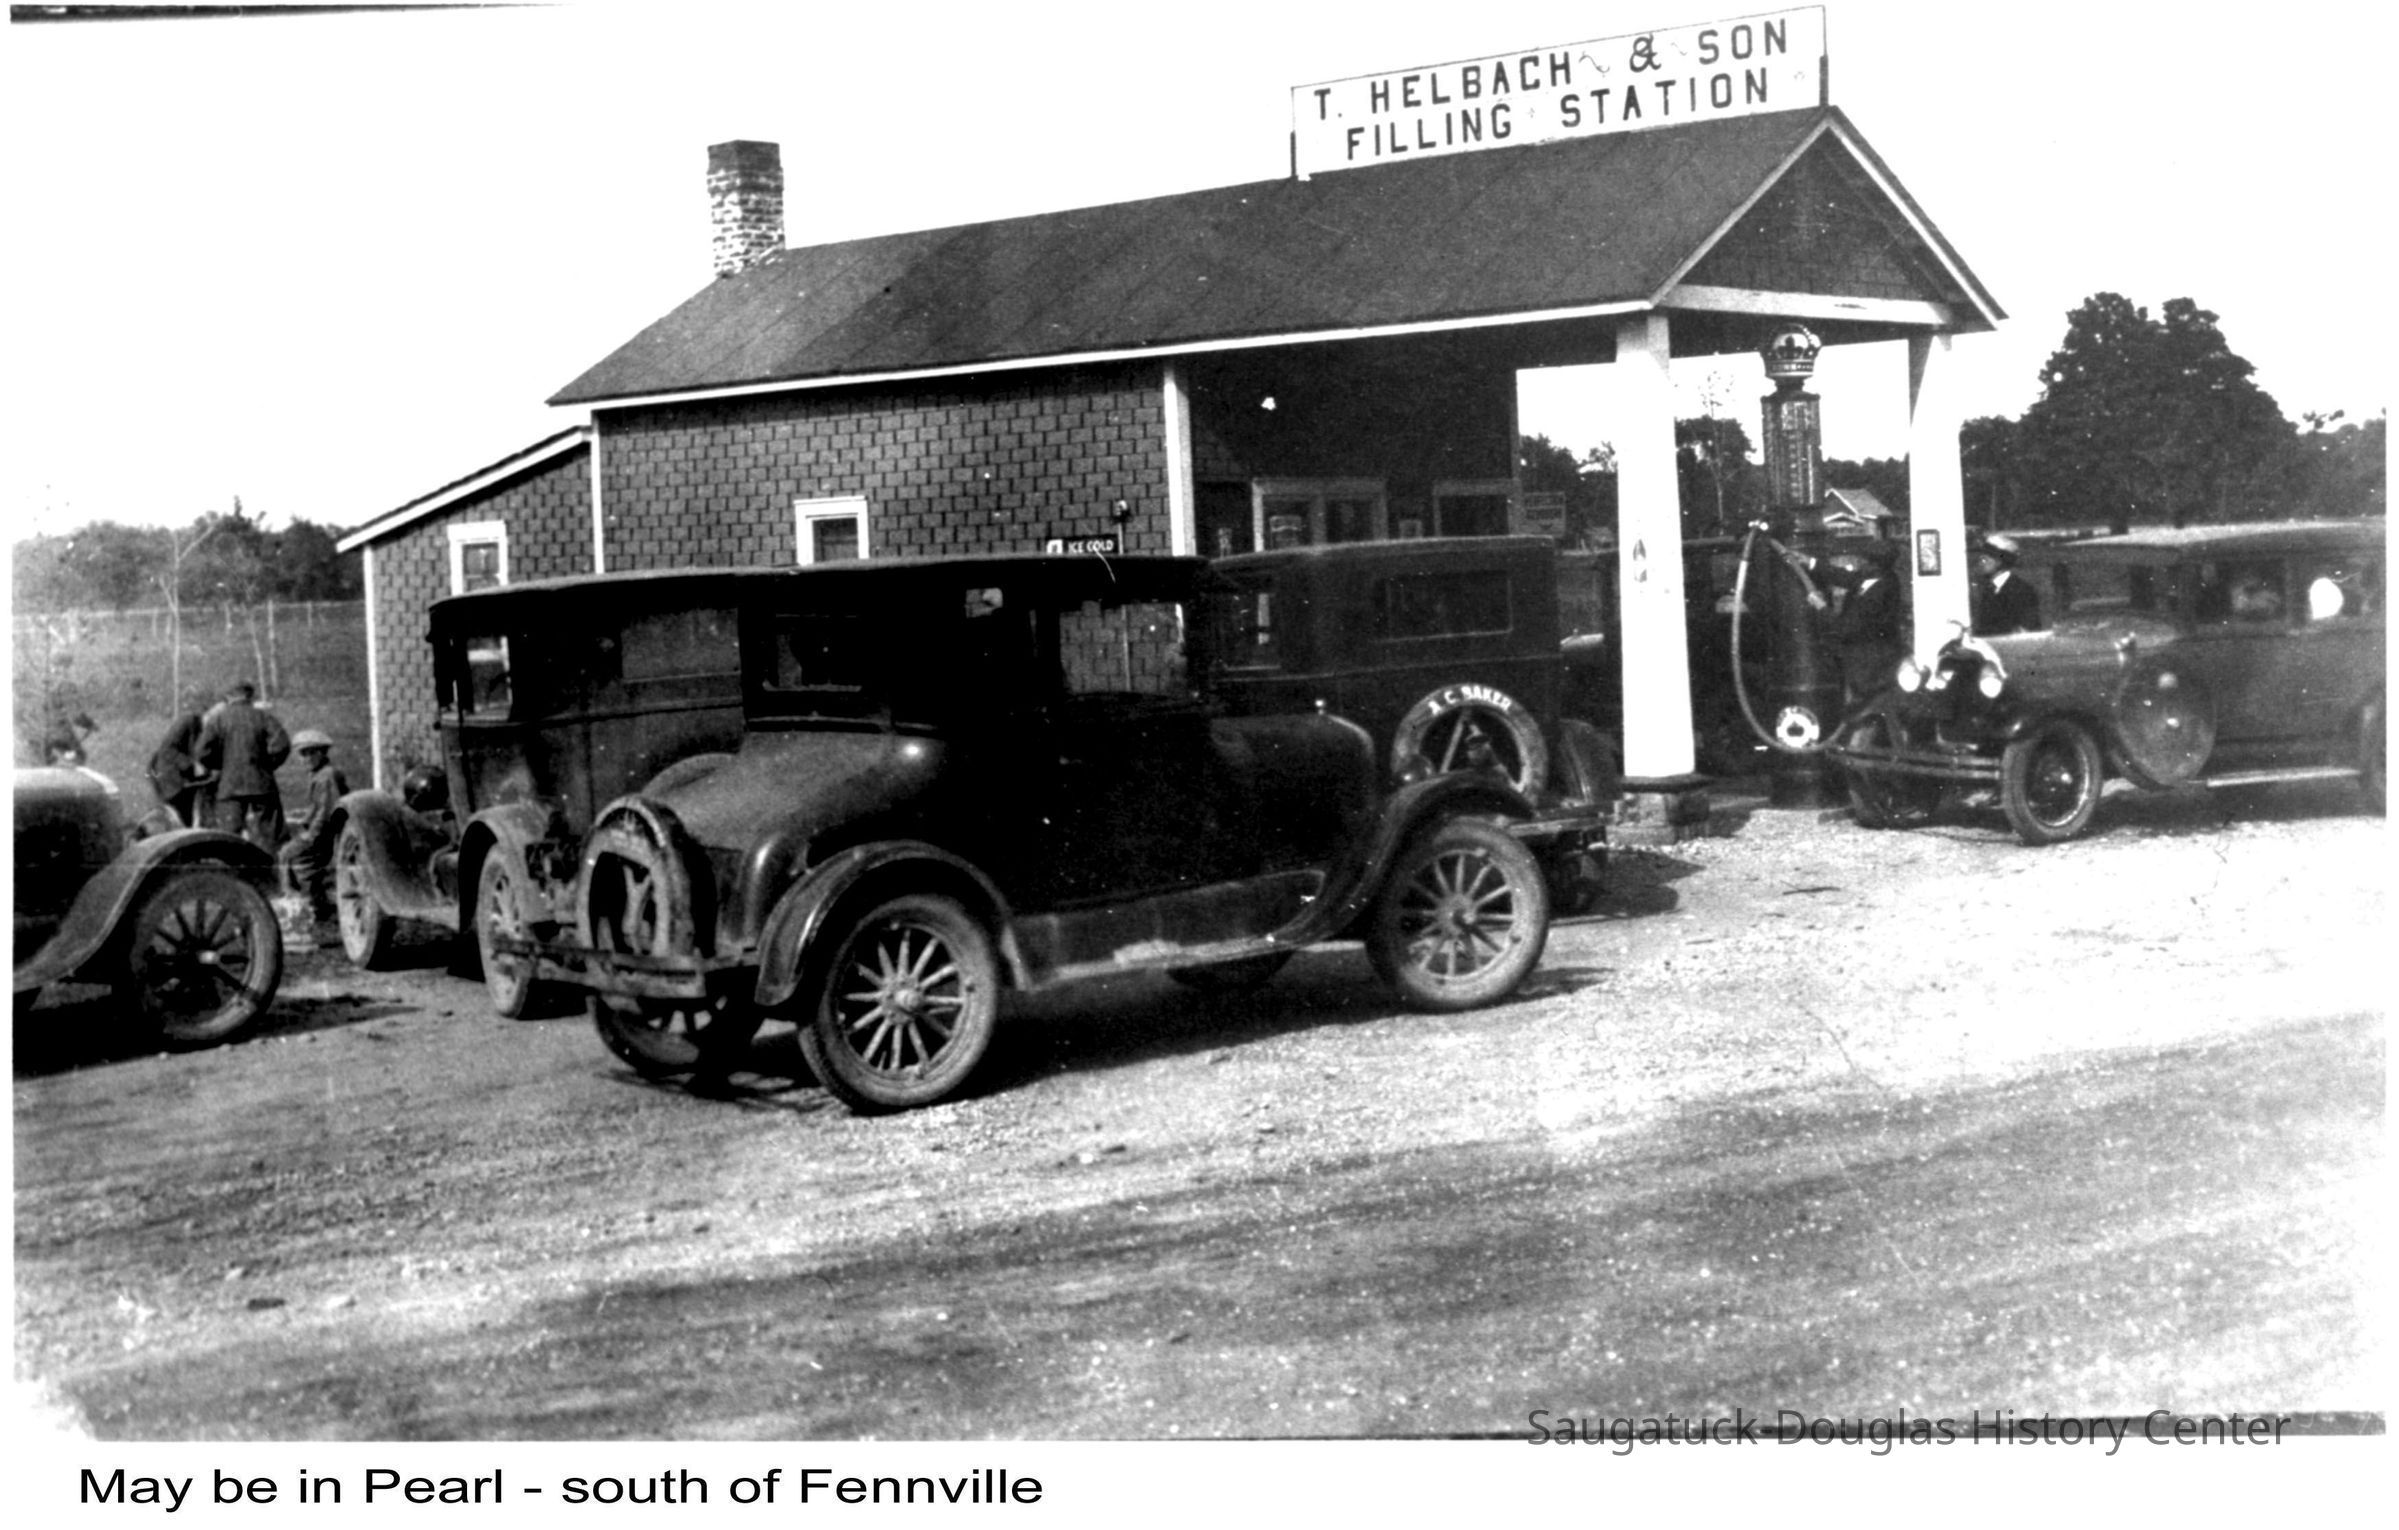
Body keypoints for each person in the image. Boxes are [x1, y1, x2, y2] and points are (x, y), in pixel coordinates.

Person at [197, 680, 291, 851]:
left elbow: (201, 752)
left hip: (230, 785)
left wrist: (222, 765)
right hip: (262, 783)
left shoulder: (218, 719)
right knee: (272, 836)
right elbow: (282, 745)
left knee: (228, 838)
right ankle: (275, 866)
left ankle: (234, 868)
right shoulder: (263, 716)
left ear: (228, 697)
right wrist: (267, 765)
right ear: (250, 696)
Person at [279, 729, 349, 936]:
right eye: (303, 754)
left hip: (326, 837)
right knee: (288, 853)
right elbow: (318, 808)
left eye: (312, 753)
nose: (307, 759)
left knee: (288, 854)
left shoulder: (326, 776)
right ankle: (311, 903)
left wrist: (309, 835)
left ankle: (303, 905)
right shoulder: (320, 775)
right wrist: (303, 818)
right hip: (321, 834)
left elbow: (327, 813)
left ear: (322, 753)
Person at [147, 709, 213, 827]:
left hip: (185, 781)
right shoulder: (187, 721)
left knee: (187, 818)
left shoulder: (202, 729)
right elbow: (167, 750)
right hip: (171, 779)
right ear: (208, 716)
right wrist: (192, 765)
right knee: (176, 818)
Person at [1971, 533, 2043, 635]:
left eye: (1985, 558)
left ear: (1999, 562)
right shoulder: (1989, 589)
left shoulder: (2022, 591)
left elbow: (2029, 630)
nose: (1981, 562)